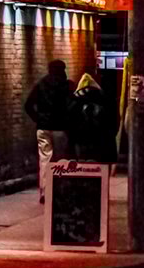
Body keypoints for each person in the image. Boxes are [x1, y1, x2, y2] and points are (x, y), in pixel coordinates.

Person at [25, 59, 73, 201]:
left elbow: (28, 105)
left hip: (43, 128)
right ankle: (60, 190)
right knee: (61, 161)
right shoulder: (66, 86)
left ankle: (45, 192)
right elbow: (71, 106)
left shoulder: (41, 84)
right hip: (60, 128)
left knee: (45, 159)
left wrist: (38, 119)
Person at [67, 71, 118, 163]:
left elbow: (70, 118)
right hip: (98, 137)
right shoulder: (103, 98)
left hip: (80, 136)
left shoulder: (76, 98)